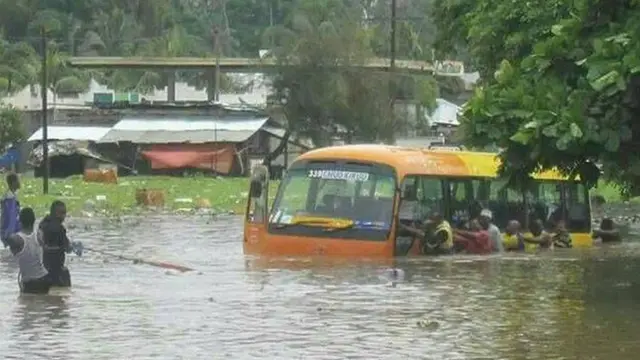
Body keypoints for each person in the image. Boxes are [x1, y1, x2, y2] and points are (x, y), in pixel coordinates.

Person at [5, 208, 51, 294]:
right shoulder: (39, 234)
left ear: (20, 221)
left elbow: (6, 236)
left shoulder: (16, 239)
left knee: (27, 306)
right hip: (44, 279)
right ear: (34, 220)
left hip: (30, 283)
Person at [39, 200, 73, 287]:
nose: (64, 216)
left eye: (64, 213)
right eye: (62, 213)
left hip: (43, 268)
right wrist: (72, 247)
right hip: (56, 270)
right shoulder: (59, 229)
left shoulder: (42, 224)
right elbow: (67, 248)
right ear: (55, 213)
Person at [1, 173, 21, 247]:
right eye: (17, 180)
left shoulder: (11, 196)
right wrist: (9, 235)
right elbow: (11, 217)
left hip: (9, 232)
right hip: (9, 234)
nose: (19, 182)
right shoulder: (10, 198)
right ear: (13, 183)